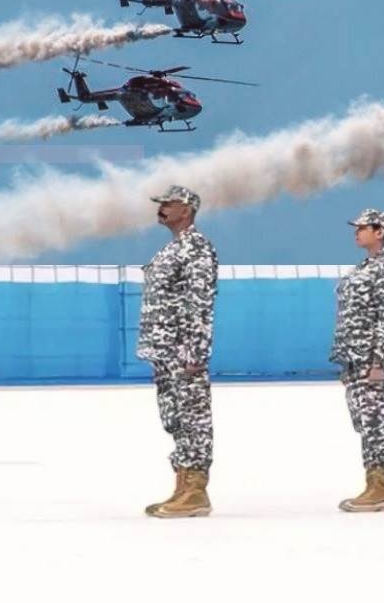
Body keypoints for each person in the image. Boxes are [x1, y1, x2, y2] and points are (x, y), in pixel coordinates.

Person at [138, 185, 219, 519]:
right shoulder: (172, 249)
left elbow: (200, 302)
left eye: (169, 204)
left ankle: (196, 490)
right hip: (165, 350)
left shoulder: (196, 248)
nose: (162, 209)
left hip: (184, 350)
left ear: (186, 210)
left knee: (193, 416)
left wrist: (195, 351)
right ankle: (183, 486)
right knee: (175, 418)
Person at [330, 209, 384, 512]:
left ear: (380, 232)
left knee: (377, 422)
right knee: (364, 421)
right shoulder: (363, 268)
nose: (356, 232)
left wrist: (379, 362)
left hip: (372, 360)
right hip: (355, 358)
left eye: (363, 228)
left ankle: (382, 487)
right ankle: (373, 484)